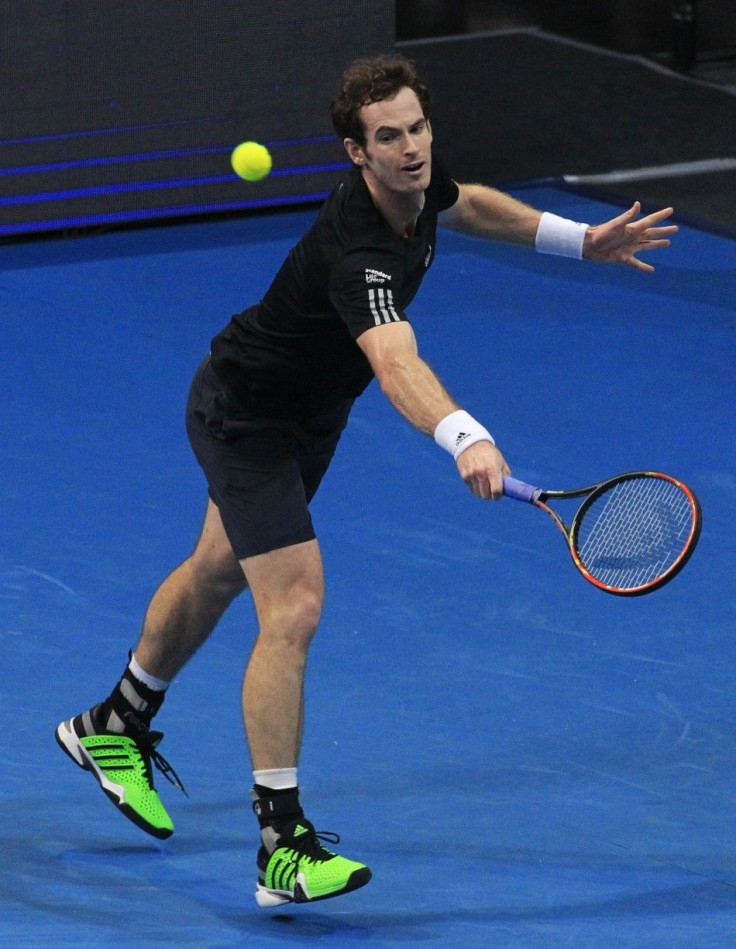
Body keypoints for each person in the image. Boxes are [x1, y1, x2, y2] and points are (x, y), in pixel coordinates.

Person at [56, 54, 677, 907]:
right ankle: (281, 844)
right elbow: (395, 361)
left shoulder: (418, 182)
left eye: (419, 128)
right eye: (390, 138)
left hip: (305, 417)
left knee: (217, 570)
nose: (413, 149)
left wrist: (578, 240)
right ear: (358, 153)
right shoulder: (361, 255)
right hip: (247, 415)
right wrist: (467, 437)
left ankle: (113, 722)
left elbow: (469, 203)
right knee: (295, 603)